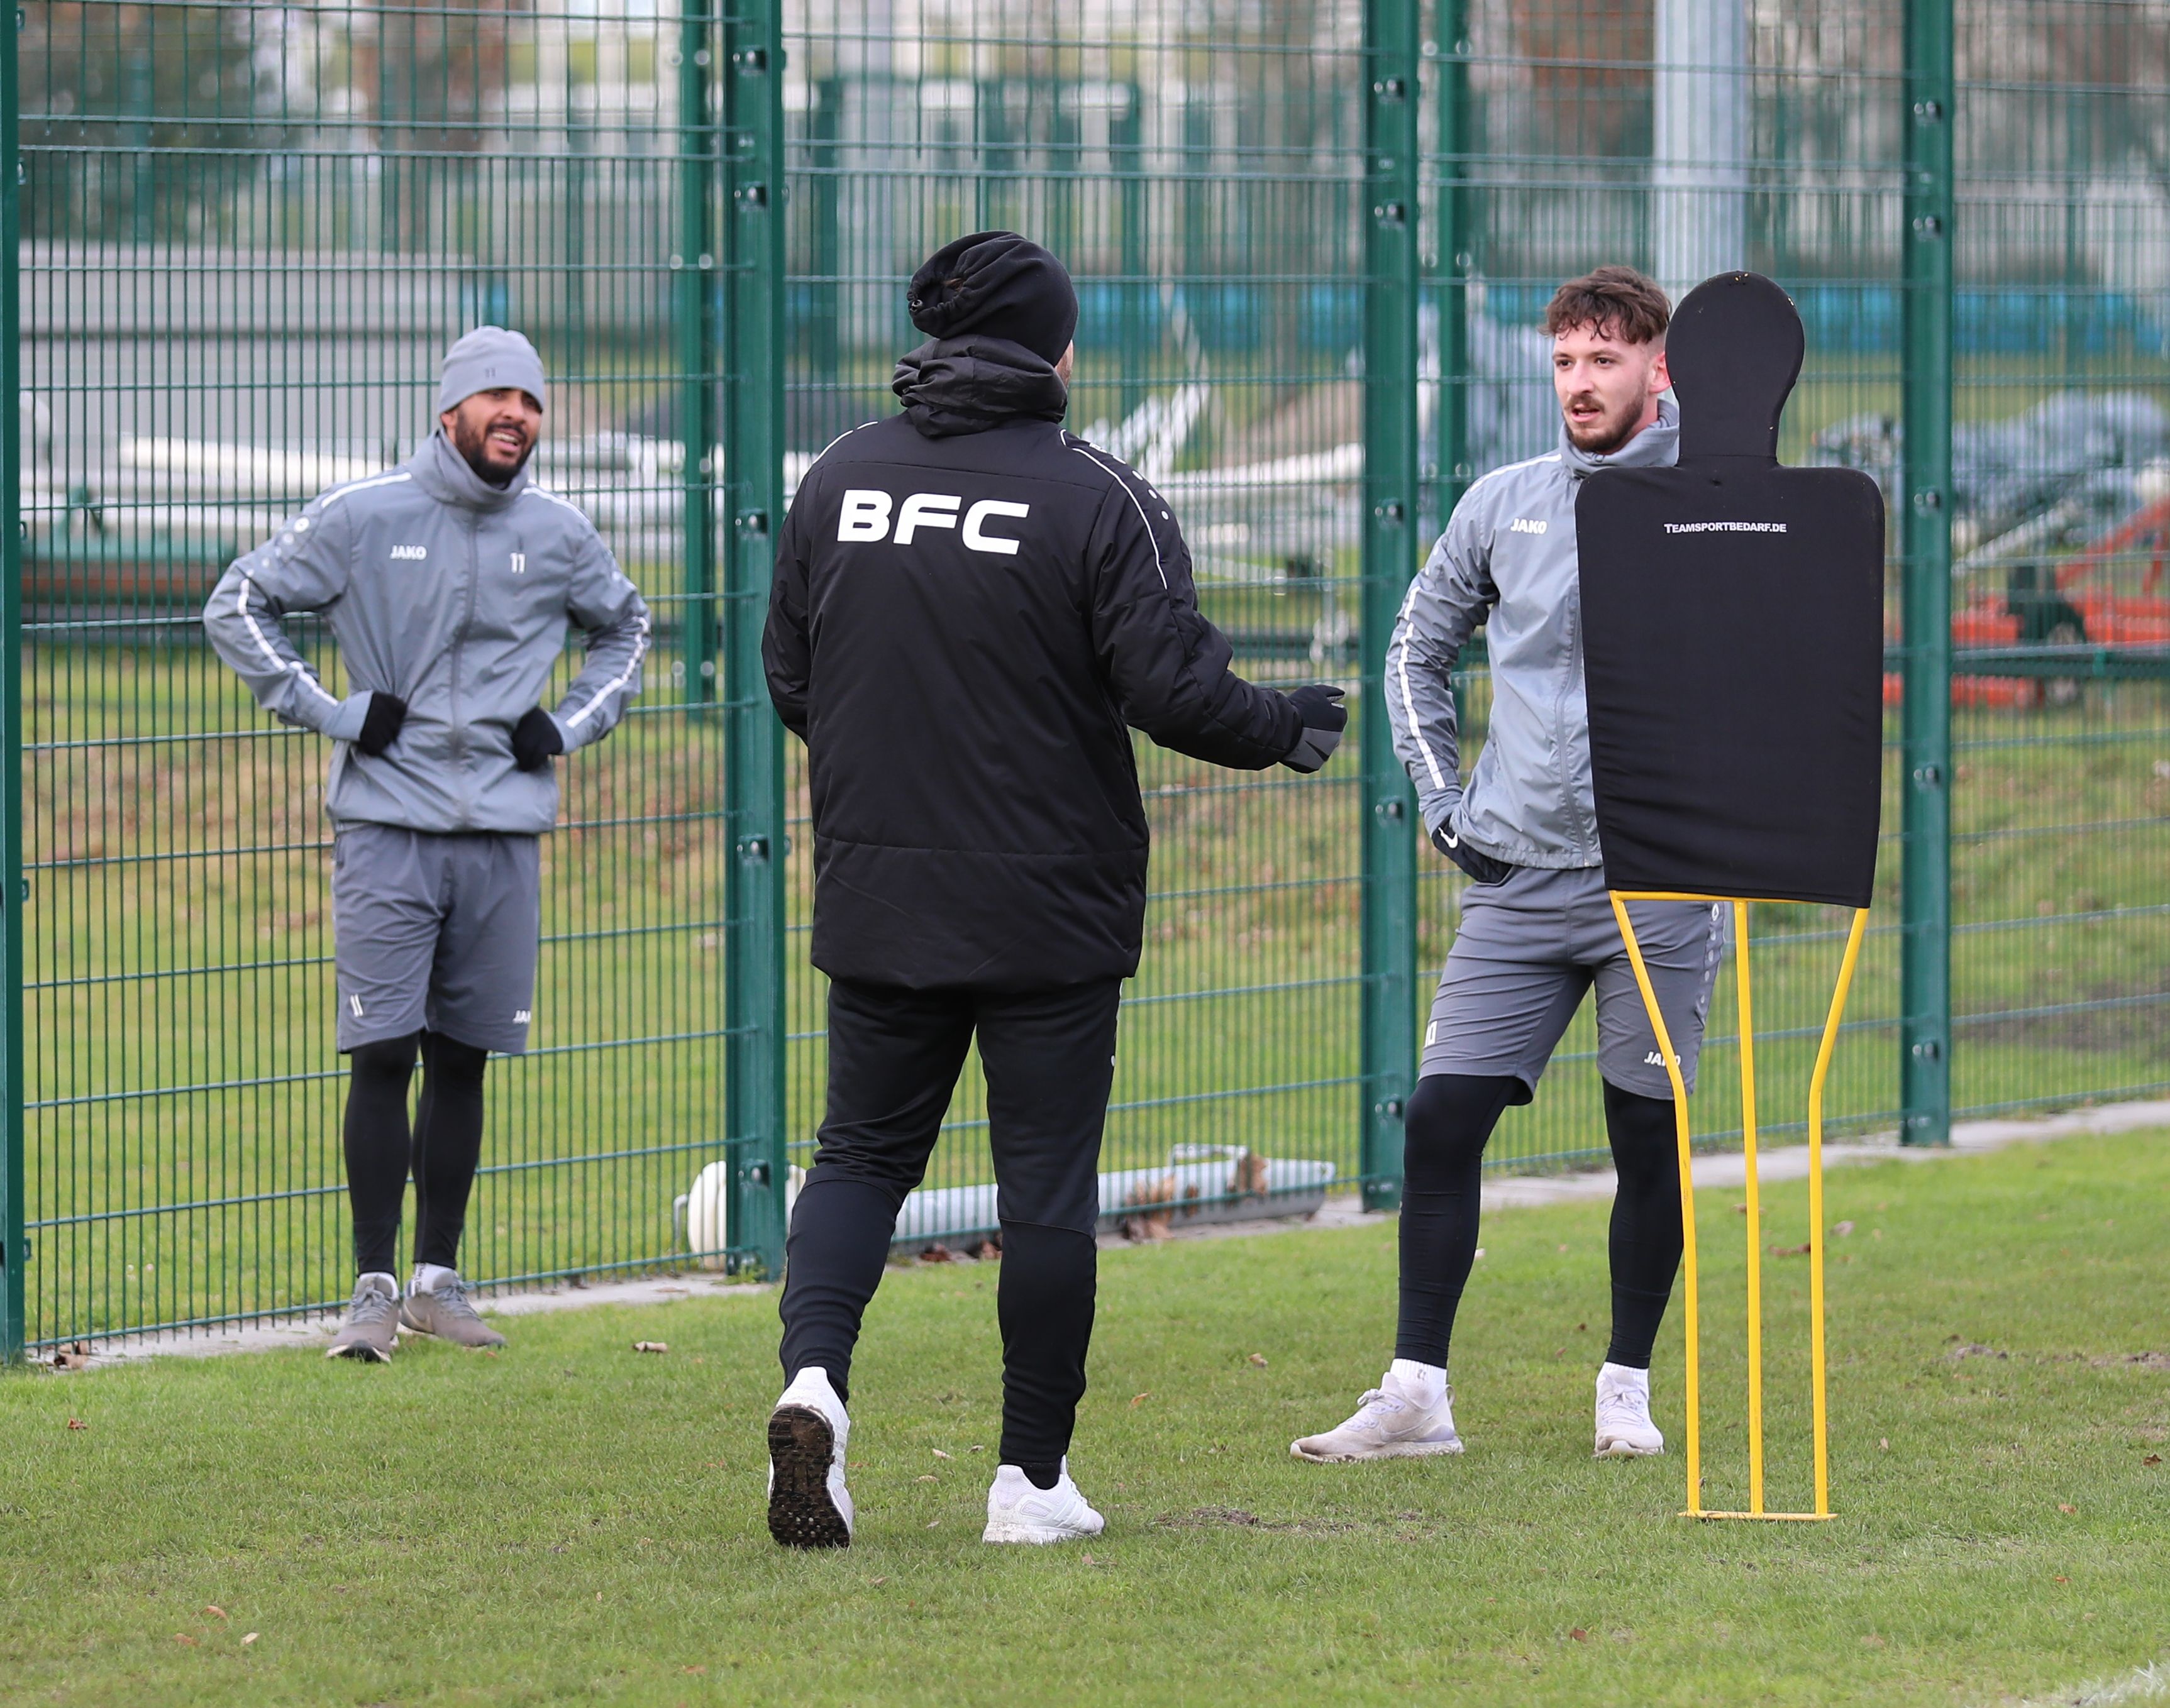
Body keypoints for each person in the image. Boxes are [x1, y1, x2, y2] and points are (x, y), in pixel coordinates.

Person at [761, 231, 1348, 1549]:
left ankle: (814, 1389)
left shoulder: (842, 478)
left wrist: (898, 781)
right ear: (1054, 348)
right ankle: (1027, 1486)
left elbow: (792, 678)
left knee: (857, 1157)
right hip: (1049, 906)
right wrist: (1286, 723)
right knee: (1043, 1195)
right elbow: (1172, 689)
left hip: (881, 889)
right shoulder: (1097, 495)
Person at [1292, 266, 1724, 1465]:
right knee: (1441, 1118)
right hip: (1518, 874)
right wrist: (1443, 802)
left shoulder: (1719, 497)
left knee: (1647, 1132)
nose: (1581, 385)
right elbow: (1413, 650)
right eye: (1565, 363)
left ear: (1658, 370)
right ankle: (1416, 1393)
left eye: (1604, 362)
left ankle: (1624, 1389)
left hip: (1667, 876)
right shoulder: (1507, 502)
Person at [203, 328, 651, 1363]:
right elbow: (239, 600)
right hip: (387, 825)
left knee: (466, 1056)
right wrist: (330, 709)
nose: (517, 416)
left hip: (503, 830)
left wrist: (570, 723)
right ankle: (370, 1288)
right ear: (447, 408)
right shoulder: (365, 515)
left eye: (531, 401)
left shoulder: (560, 530)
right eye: (496, 396)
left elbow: (626, 628)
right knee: (381, 1051)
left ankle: (438, 1284)